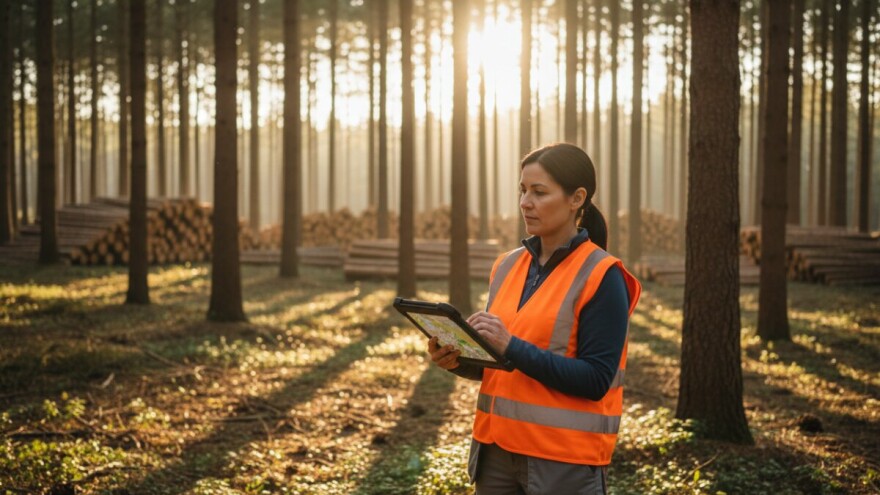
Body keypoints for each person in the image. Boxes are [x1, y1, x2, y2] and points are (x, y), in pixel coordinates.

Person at [427, 143, 641, 494]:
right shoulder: (506, 266)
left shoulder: (603, 275)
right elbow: (501, 366)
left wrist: (510, 345)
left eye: (539, 192)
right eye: (523, 190)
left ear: (577, 199)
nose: (526, 202)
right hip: (494, 453)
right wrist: (456, 360)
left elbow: (596, 379)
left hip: (563, 461)